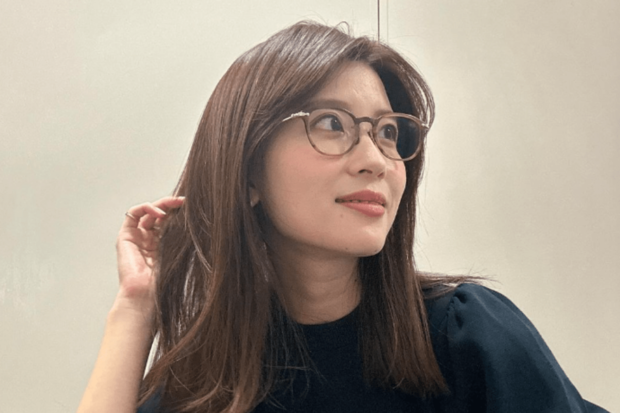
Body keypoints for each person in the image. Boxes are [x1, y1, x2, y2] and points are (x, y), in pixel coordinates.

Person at [77, 21, 608, 413]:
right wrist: (135, 308)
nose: (376, 160)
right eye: (332, 124)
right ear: (248, 169)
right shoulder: (211, 383)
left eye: (387, 132)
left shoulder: (467, 337)